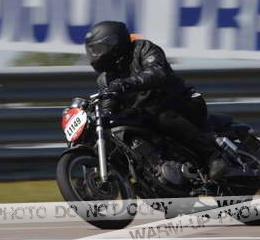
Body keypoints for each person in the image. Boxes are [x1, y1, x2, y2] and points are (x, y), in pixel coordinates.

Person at [84, 20, 227, 180]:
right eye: (92, 51)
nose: (95, 55)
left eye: (99, 50)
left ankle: (213, 156)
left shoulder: (143, 48)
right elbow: (109, 109)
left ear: (115, 44)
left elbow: (157, 72)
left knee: (163, 117)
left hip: (181, 103)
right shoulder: (105, 79)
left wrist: (125, 84)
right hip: (148, 116)